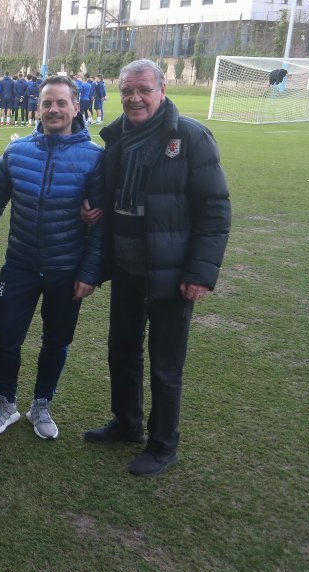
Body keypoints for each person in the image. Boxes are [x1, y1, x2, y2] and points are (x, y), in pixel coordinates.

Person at [82, 59, 231, 476]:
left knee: (166, 364)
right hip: (127, 269)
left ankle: (164, 445)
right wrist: (97, 214)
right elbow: (114, 197)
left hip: (170, 274)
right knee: (121, 350)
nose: (134, 98)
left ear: (162, 90)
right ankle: (127, 423)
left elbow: (215, 210)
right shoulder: (117, 136)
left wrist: (200, 273)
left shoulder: (191, 137)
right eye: (127, 90)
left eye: (143, 89)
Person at [0, 76, 105, 441]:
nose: (54, 109)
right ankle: (6, 403)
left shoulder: (95, 158)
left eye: (61, 103)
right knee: (7, 338)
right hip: (19, 266)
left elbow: (101, 225)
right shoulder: (16, 152)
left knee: (56, 340)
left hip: (67, 270)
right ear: (38, 108)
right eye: (47, 103)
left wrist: (90, 272)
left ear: (76, 108)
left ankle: (41, 404)